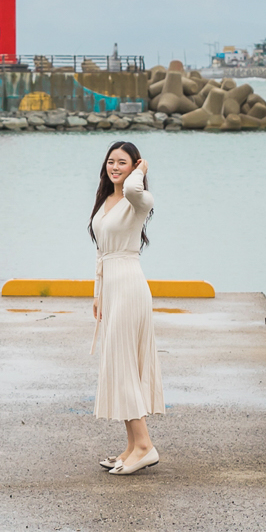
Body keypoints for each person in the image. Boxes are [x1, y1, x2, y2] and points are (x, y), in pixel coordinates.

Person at [89, 141, 163, 474]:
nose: (114, 167)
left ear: (134, 166)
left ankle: (145, 446)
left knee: (123, 364)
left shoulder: (139, 199)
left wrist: (142, 170)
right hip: (112, 286)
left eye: (122, 162)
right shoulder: (106, 200)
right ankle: (132, 445)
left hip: (130, 285)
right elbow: (101, 252)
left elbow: (135, 186)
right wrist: (98, 293)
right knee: (119, 365)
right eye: (110, 162)